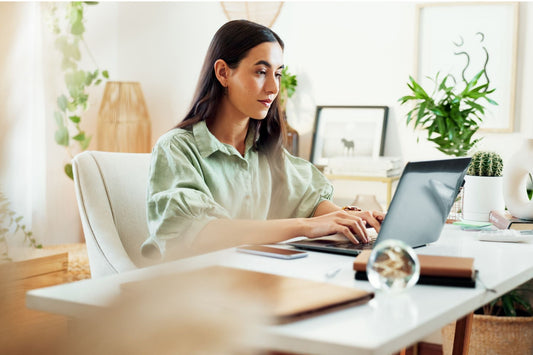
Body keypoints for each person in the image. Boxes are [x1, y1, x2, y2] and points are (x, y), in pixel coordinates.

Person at [141, 20, 384, 260]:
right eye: (261, 72)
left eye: (277, 74)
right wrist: (304, 226)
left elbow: (310, 201)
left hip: (252, 280)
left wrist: (351, 219)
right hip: (186, 287)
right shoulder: (176, 148)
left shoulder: (265, 152)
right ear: (223, 73)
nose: (273, 87)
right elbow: (200, 233)